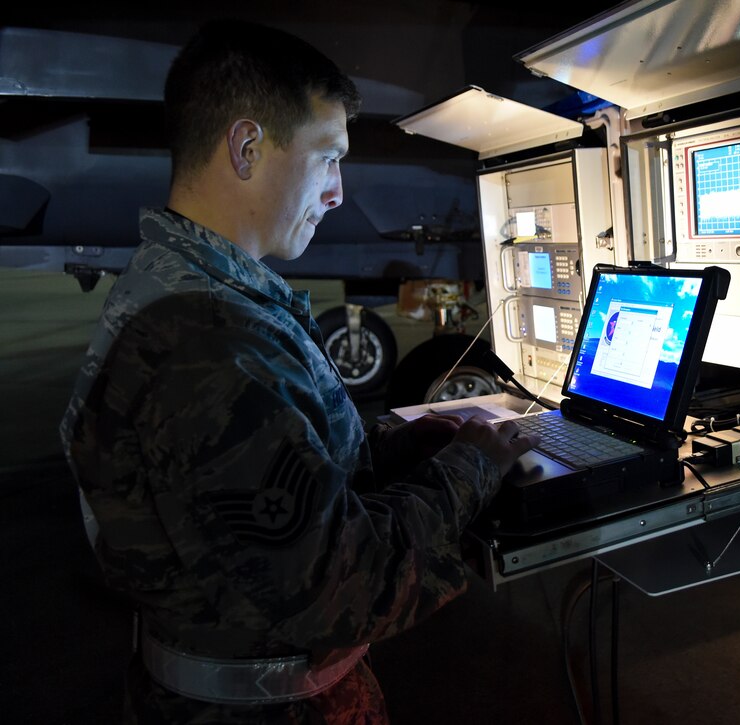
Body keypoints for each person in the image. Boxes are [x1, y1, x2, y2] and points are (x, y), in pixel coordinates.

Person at [59, 18, 538, 724]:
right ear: (248, 147)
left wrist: (405, 445)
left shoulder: (195, 290)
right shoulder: (204, 344)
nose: (339, 191)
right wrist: (471, 467)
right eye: (327, 158)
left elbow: (283, 468)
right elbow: (343, 588)